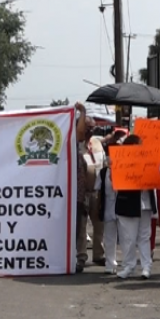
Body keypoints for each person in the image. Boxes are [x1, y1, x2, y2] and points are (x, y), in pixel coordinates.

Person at [116, 135, 157, 279]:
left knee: (145, 237)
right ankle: (129, 266)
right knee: (129, 238)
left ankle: (146, 267)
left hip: (145, 203)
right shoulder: (121, 160)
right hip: (128, 203)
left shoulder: (147, 160)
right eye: (139, 144)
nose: (141, 147)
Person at [82, 123, 106, 266]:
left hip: (97, 192)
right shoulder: (75, 146)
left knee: (99, 225)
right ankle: (81, 255)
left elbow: (103, 166)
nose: (89, 131)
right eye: (86, 128)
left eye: (91, 128)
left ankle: (99, 254)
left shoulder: (97, 144)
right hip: (82, 192)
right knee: (82, 227)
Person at [95, 141, 118, 274]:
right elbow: (98, 190)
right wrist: (99, 207)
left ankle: (127, 265)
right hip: (108, 207)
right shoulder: (103, 173)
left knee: (126, 237)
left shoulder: (123, 170)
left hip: (121, 206)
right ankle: (110, 264)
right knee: (109, 237)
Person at [74, 102, 89, 273]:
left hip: (78, 195)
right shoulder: (65, 146)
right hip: (63, 196)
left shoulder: (79, 148)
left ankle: (80, 258)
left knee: (80, 228)